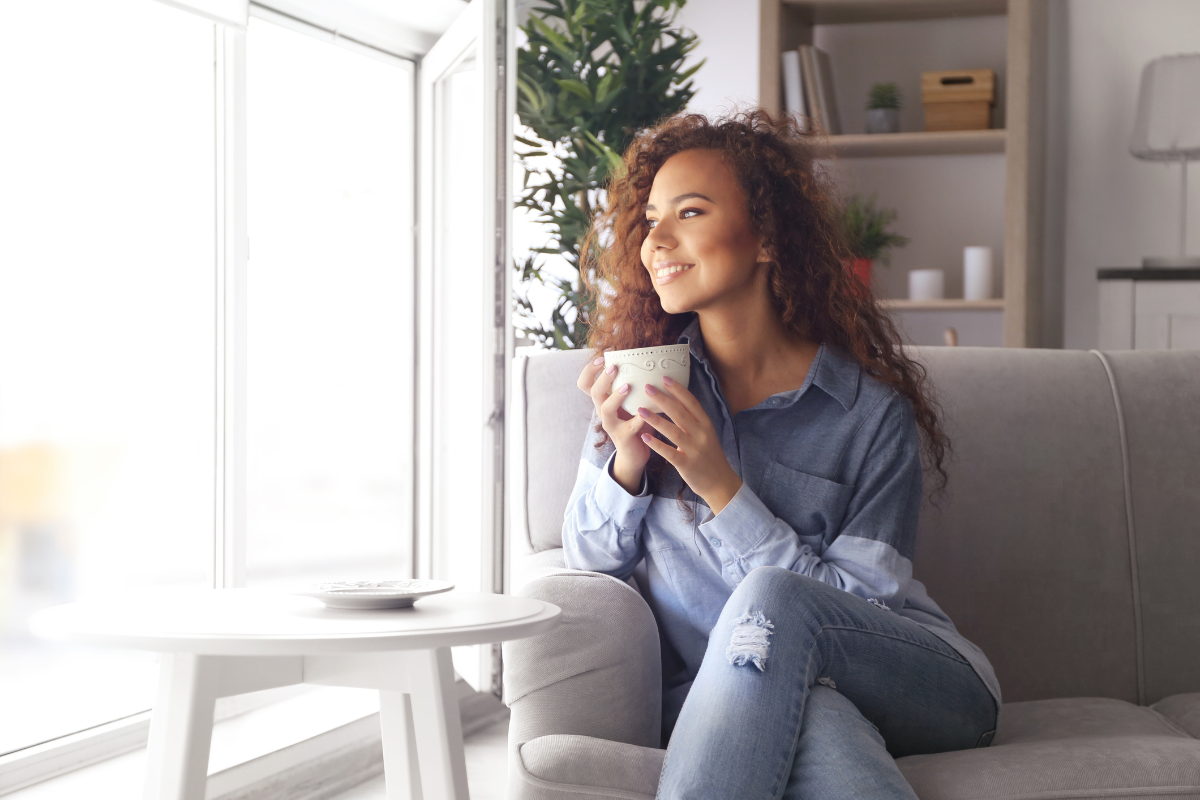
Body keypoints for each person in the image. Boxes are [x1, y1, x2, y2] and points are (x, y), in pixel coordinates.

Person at [563, 111, 1000, 800]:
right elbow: (587, 569)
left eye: (691, 211)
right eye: (650, 219)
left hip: (923, 680)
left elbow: (856, 610)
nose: (656, 241)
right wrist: (625, 462)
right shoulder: (649, 383)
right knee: (816, 717)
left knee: (772, 600)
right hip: (740, 692)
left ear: (766, 237)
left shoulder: (867, 414)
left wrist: (723, 490)